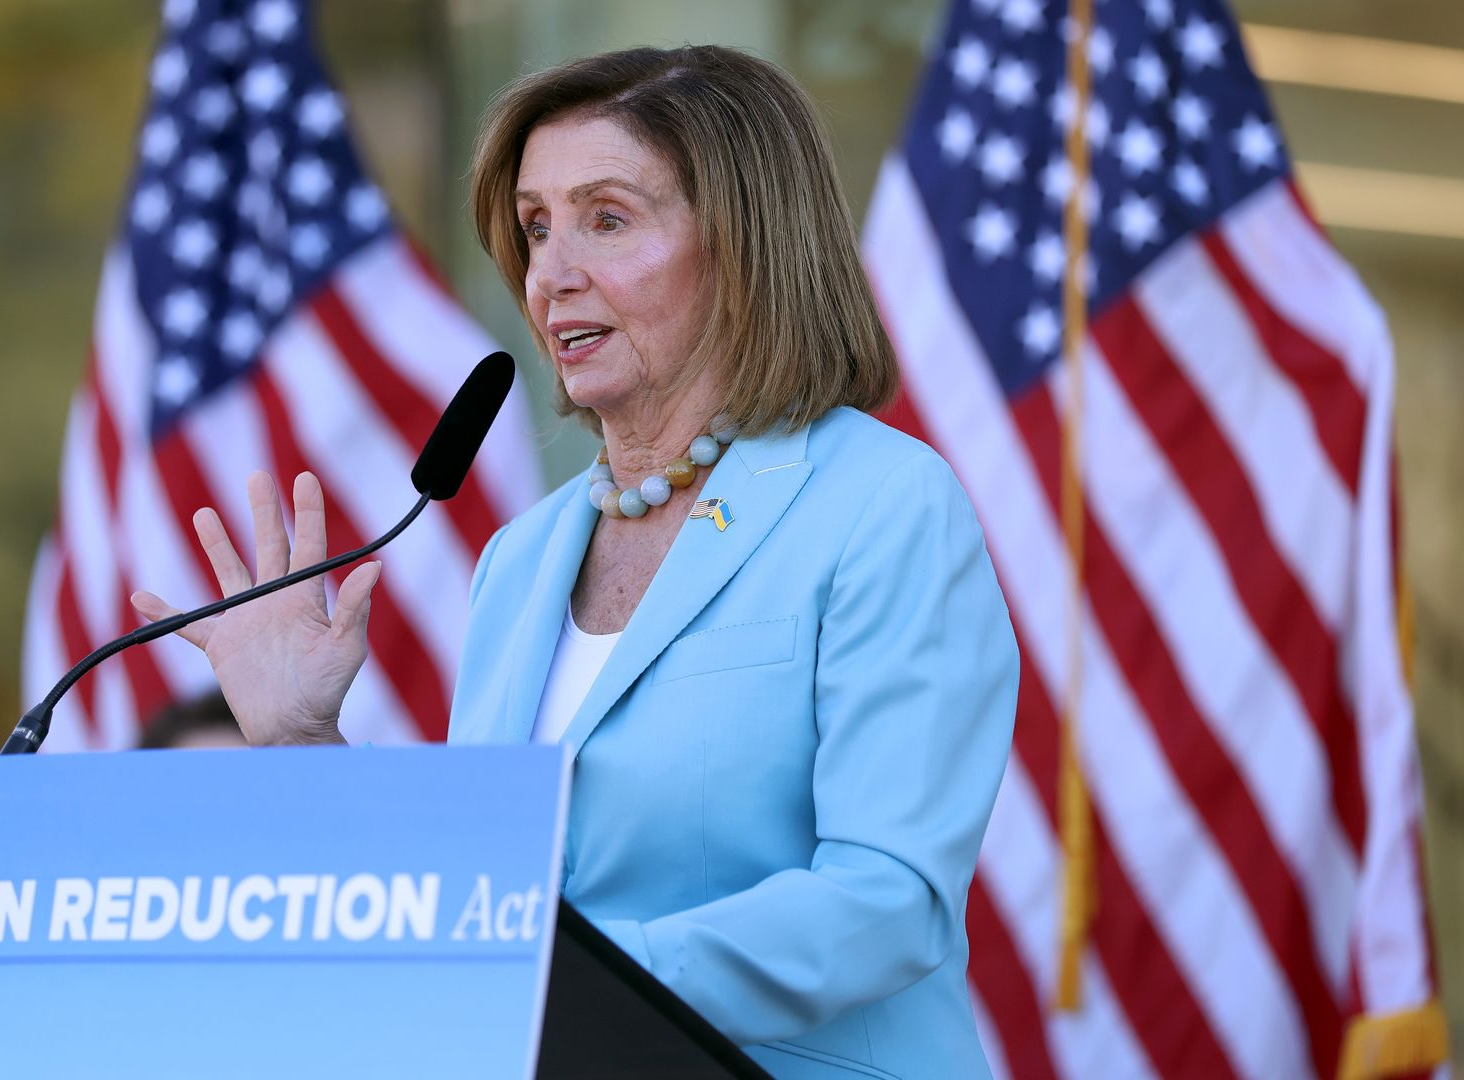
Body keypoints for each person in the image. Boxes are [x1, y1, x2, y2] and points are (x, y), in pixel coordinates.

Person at [133, 45, 1018, 1079]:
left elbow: (887, 899)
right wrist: (299, 740)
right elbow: (476, 900)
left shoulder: (882, 504)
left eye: (608, 219)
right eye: (536, 225)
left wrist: (561, 983)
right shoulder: (523, 557)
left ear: (745, 245)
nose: (551, 274)